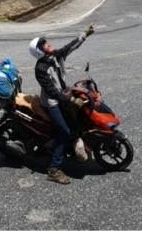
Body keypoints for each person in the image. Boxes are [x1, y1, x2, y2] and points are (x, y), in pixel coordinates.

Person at [28, 24, 96, 184]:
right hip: (52, 103)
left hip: (64, 95)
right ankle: (54, 169)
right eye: (44, 43)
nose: (48, 44)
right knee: (64, 131)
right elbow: (52, 92)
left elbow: (70, 47)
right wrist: (72, 99)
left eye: (46, 41)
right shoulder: (41, 68)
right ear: (40, 51)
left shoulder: (55, 56)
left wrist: (86, 34)